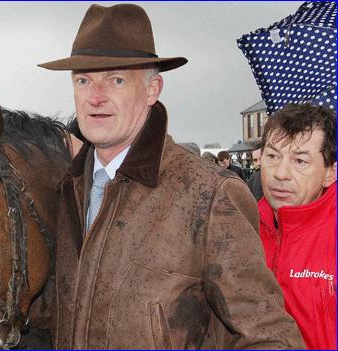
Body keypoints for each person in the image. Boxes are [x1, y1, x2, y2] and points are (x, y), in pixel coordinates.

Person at [39, 4, 304, 349]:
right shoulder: (64, 192)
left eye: (116, 79)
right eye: (84, 80)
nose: (96, 96)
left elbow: (269, 336)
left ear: (152, 90)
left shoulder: (208, 195)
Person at [258, 103, 336, 350]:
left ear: (330, 173)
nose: (281, 173)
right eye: (272, 156)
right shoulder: (240, 228)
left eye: (300, 160)